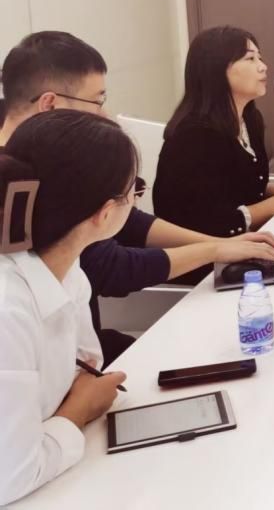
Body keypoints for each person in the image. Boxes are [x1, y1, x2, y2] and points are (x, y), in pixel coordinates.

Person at [0, 32, 274, 363]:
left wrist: (218, 245)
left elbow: (128, 223)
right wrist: (215, 249)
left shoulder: (45, 155)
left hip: (79, 347)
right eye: (97, 101)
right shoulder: (18, 184)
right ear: (50, 104)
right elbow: (108, 265)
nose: (106, 115)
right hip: (44, 360)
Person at [0, 110, 135, 503]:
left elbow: (85, 365)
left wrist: (68, 411)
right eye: (136, 190)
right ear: (105, 214)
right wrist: (78, 410)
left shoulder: (66, 268)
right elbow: (11, 476)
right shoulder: (9, 309)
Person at [155, 26, 274, 241]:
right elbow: (214, 222)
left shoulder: (250, 119)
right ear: (216, 69)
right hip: (202, 252)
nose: (263, 66)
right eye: (250, 59)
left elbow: (239, 187)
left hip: (244, 240)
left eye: (260, 58)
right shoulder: (194, 135)